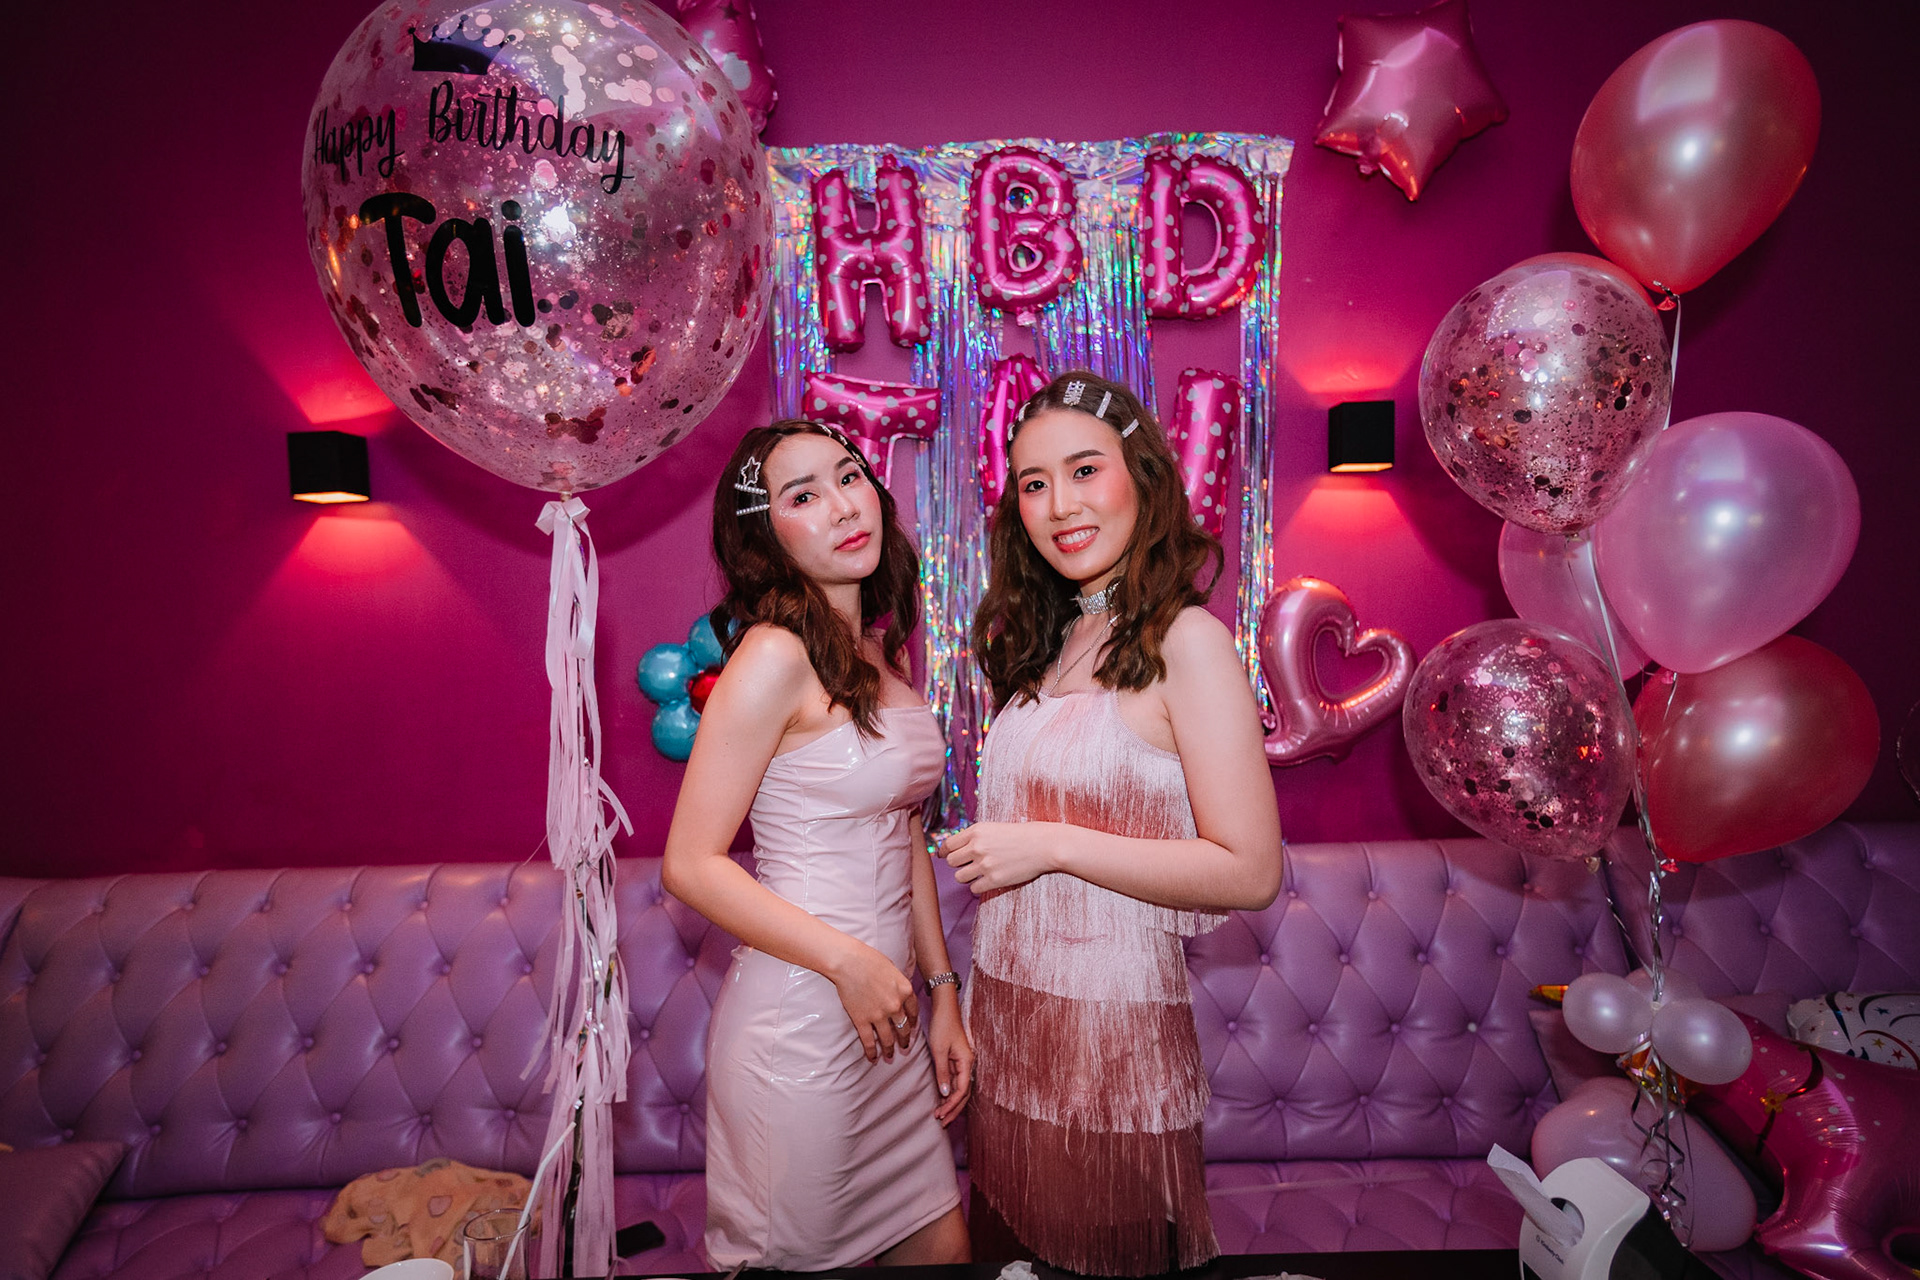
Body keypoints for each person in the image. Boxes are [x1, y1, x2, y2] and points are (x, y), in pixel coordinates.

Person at [943, 370, 1285, 1276]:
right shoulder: (1050, 639)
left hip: (1112, 1052)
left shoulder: (1188, 641)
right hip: (1013, 1026)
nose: (1061, 504)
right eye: (1034, 483)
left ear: (1144, 476)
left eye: (1085, 470)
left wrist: (1050, 845)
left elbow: (1251, 870)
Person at [662, 420, 971, 1270]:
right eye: (803, 495)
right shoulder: (772, 656)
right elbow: (689, 864)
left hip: (888, 1027)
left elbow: (903, 829)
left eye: (849, 476)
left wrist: (942, 991)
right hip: (801, 1029)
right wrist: (847, 962)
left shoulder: (876, 655)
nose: (842, 506)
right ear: (767, 536)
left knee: (944, 1252)